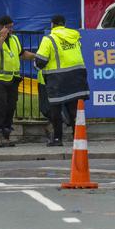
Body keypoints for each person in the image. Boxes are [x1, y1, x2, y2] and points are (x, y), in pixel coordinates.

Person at [33, 15, 88, 146]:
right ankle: (78, 138)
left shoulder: (49, 39)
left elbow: (40, 61)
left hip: (58, 79)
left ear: (52, 24)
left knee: (55, 109)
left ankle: (57, 139)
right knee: (74, 109)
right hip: (77, 76)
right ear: (64, 24)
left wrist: (36, 65)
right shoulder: (74, 37)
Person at [0, 16, 36, 148]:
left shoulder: (14, 39)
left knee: (10, 107)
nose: (12, 29)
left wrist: (37, 56)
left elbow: (22, 54)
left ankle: (6, 135)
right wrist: (1, 38)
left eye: (12, 27)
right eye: (9, 27)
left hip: (12, 79)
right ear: (2, 27)